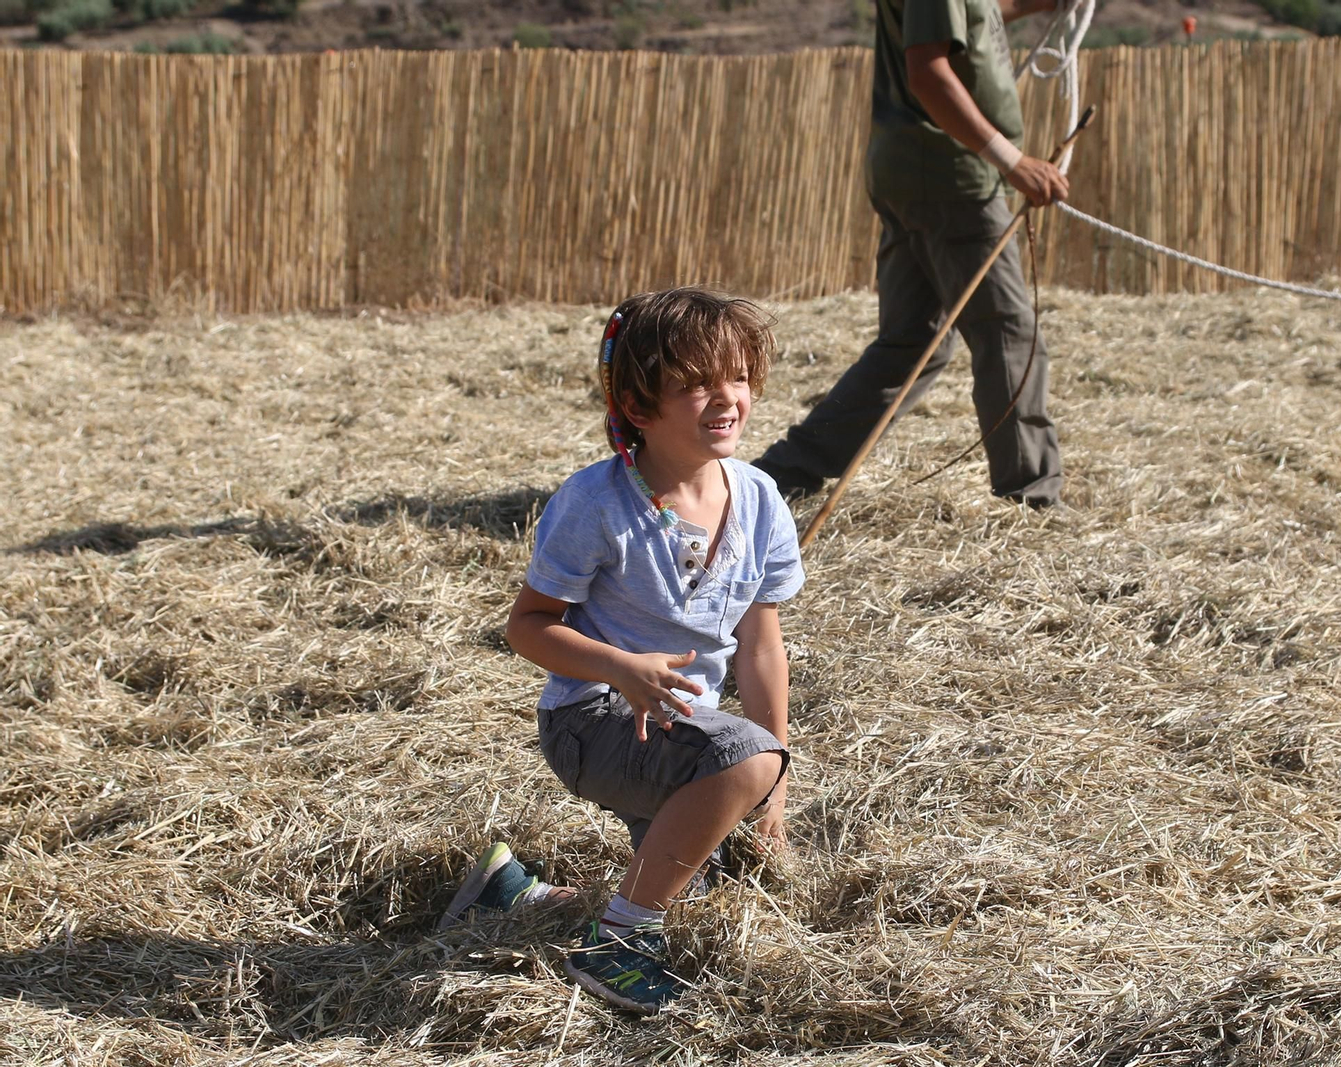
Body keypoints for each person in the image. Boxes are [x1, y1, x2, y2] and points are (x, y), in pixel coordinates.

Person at [439, 287, 804, 1016]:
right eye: (695, 384)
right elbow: (528, 625)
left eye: (736, 377)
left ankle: (513, 892)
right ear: (639, 407)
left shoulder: (761, 500)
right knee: (740, 762)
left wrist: (774, 796)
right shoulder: (596, 503)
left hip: (679, 728)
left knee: (704, 880)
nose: (725, 398)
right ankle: (619, 945)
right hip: (592, 720)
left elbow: (760, 649)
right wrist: (619, 666)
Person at [756, 0, 1072, 509]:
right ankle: (1032, 499)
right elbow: (928, 73)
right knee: (1008, 333)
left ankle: (779, 478)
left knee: (911, 341)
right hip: (950, 180)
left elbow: (965, 19)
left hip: (916, 172)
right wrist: (1012, 161)